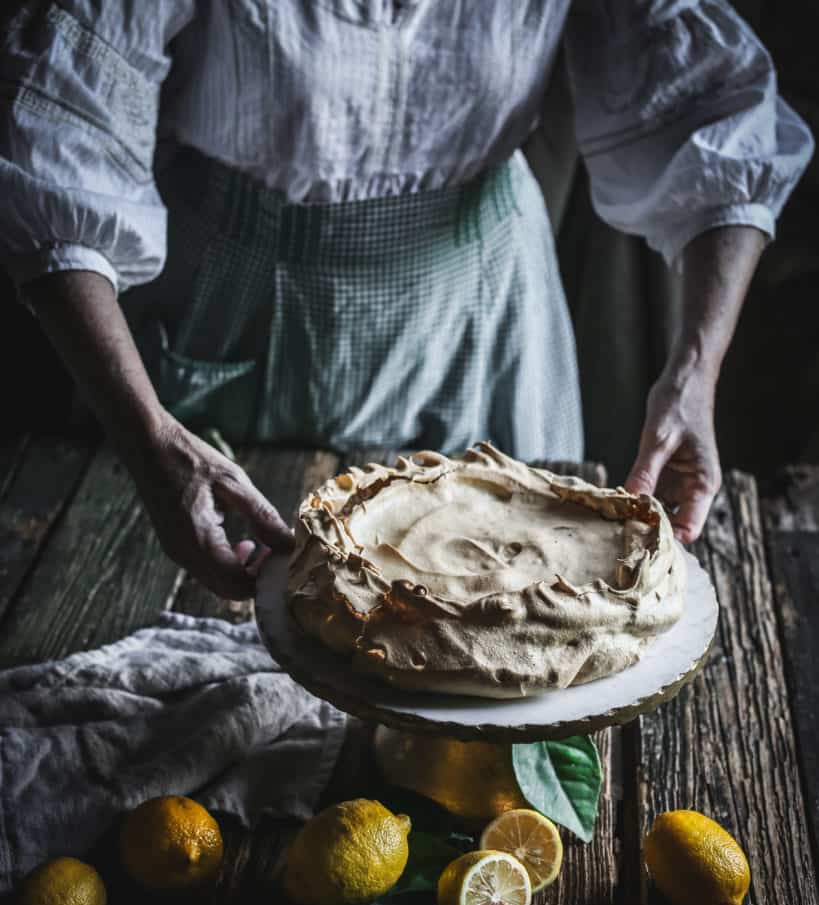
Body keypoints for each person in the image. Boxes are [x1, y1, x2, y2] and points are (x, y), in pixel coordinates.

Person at [0, 1, 812, 599]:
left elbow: (711, 111)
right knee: (219, 627)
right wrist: (150, 437)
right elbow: (54, 138)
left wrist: (695, 372)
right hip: (233, 303)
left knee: (494, 626)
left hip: (481, 315)